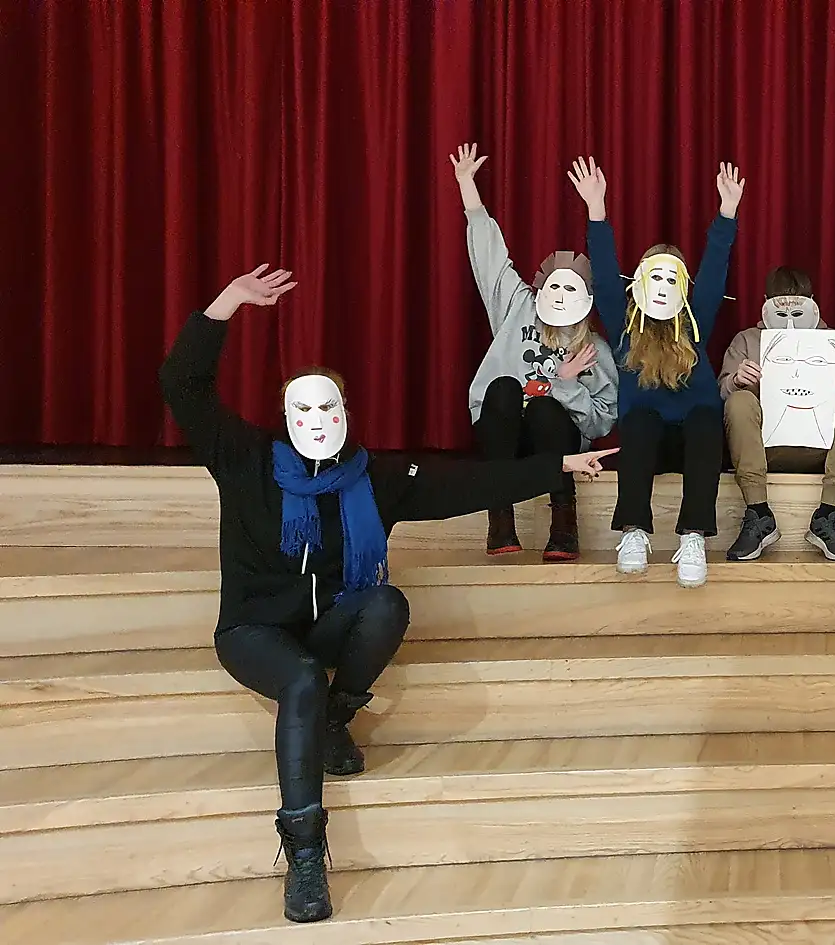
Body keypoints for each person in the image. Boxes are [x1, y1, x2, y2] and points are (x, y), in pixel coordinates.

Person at [158, 265, 615, 924]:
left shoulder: (374, 476)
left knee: (386, 605)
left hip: (329, 622)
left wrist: (557, 466)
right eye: (303, 410)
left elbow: (464, 485)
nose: (317, 420)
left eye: (329, 408)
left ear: (347, 414)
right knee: (301, 678)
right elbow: (182, 383)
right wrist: (228, 301)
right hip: (254, 630)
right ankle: (306, 853)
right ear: (285, 417)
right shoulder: (246, 459)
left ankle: (334, 717)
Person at [569, 156, 743, 588]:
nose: (662, 288)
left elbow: (714, 273)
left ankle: (694, 537)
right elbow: (604, 276)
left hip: (694, 445)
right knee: (640, 419)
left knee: (705, 418)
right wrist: (596, 208)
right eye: (655, 277)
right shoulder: (624, 323)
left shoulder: (695, 323)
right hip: (645, 445)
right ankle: (633, 532)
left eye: (671, 279)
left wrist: (727, 212)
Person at [449, 143, 619, 561]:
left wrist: (566, 385)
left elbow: (601, 421)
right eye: (553, 286)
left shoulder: (593, 348)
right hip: (502, 429)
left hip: (554, 441)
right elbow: (490, 260)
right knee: (503, 387)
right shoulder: (517, 306)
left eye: (570, 289)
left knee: (545, 407)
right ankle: (499, 515)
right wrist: (467, 187)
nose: (559, 295)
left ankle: (564, 523)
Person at [718, 268, 835, 560]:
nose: (789, 316)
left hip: (823, 448)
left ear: (812, 303)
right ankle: (758, 513)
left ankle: (828, 515)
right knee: (738, 401)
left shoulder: (830, 341)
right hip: (765, 449)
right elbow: (723, 392)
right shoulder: (747, 340)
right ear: (766, 303)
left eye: (798, 307)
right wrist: (735, 380)